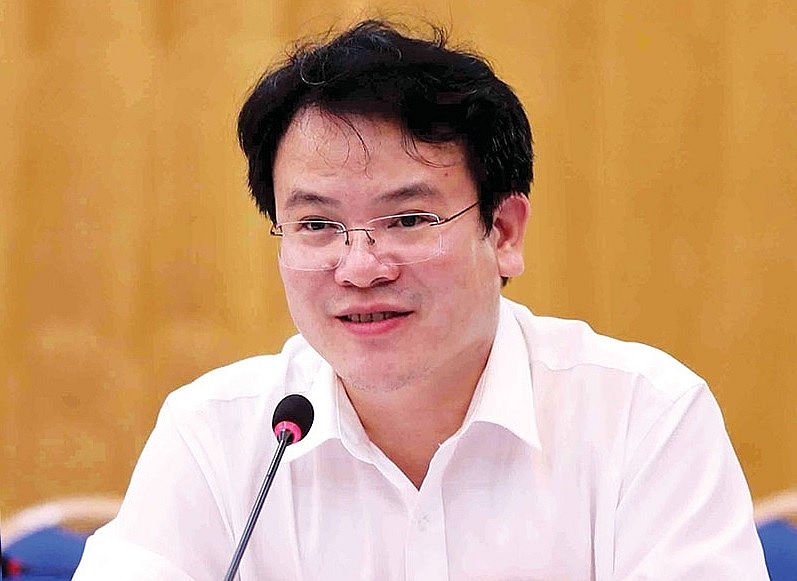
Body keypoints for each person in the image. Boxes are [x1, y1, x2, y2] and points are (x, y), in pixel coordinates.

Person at [73, 20, 768, 580]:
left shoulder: (643, 416)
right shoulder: (217, 433)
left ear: (502, 231)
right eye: (316, 225)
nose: (359, 267)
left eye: (407, 219)